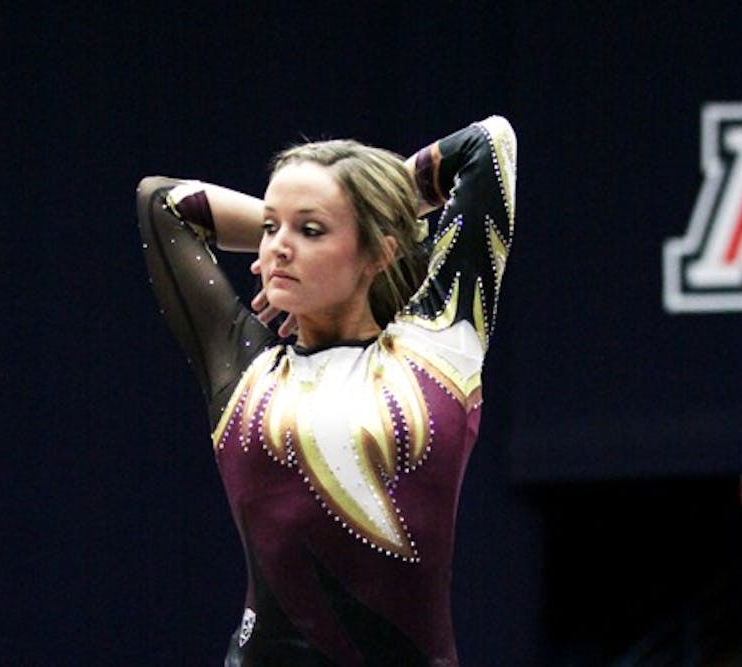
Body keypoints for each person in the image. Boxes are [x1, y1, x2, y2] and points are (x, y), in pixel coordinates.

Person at [135, 115, 516, 666]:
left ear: (378, 252)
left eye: (310, 231)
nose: (279, 248)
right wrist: (298, 225)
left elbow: (488, 144)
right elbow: (159, 202)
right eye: (270, 228)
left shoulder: (439, 348)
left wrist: (377, 200)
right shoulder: (245, 369)